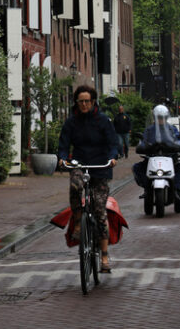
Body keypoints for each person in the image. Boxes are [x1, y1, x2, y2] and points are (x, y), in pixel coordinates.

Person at [58, 85, 118, 273]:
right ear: (76, 103)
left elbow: (112, 143)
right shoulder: (71, 123)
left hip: (100, 165)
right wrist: (62, 158)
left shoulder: (103, 121)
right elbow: (63, 144)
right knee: (75, 186)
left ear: (93, 102)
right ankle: (77, 220)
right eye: (80, 101)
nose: (84, 105)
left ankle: (105, 255)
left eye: (87, 101)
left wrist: (113, 157)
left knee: (100, 210)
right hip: (79, 162)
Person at [133, 104, 180, 194]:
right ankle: (147, 188)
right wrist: (141, 146)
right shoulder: (149, 129)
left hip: (169, 156)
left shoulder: (172, 129)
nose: (160, 119)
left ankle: (176, 189)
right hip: (152, 156)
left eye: (162, 117)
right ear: (154, 117)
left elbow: (178, 139)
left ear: (166, 117)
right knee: (137, 167)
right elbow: (144, 141)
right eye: (158, 117)